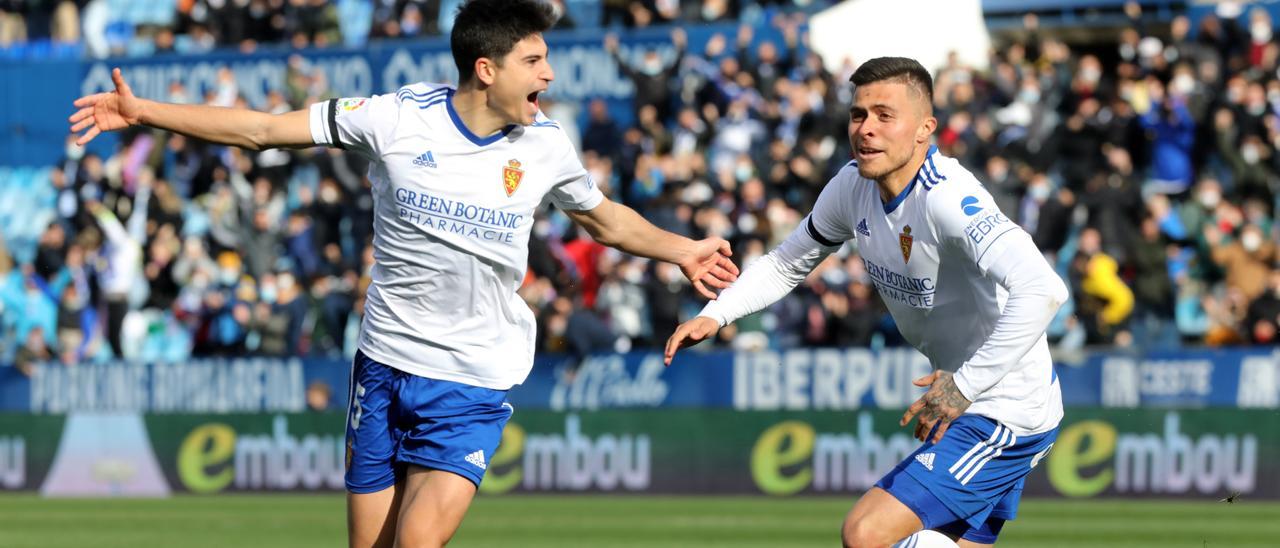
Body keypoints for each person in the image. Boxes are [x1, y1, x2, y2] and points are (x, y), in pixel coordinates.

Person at [69, 1, 739, 546]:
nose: (550, 74)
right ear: (486, 68)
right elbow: (263, 131)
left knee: (417, 542)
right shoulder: (393, 118)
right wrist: (142, 112)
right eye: (535, 60)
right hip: (385, 363)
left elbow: (603, 220)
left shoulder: (545, 145)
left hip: (472, 375)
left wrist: (681, 249)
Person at [664, 57, 1068, 548]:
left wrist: (964, 386)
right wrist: (716, 314)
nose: (867, 129)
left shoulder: (948, 197)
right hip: (970, 401)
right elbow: (788, 260)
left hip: (1007, 407)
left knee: (866, 533)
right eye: (858, 115)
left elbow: (1044, 289)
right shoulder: (851, 186)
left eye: (884, 115)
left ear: (924, 129)